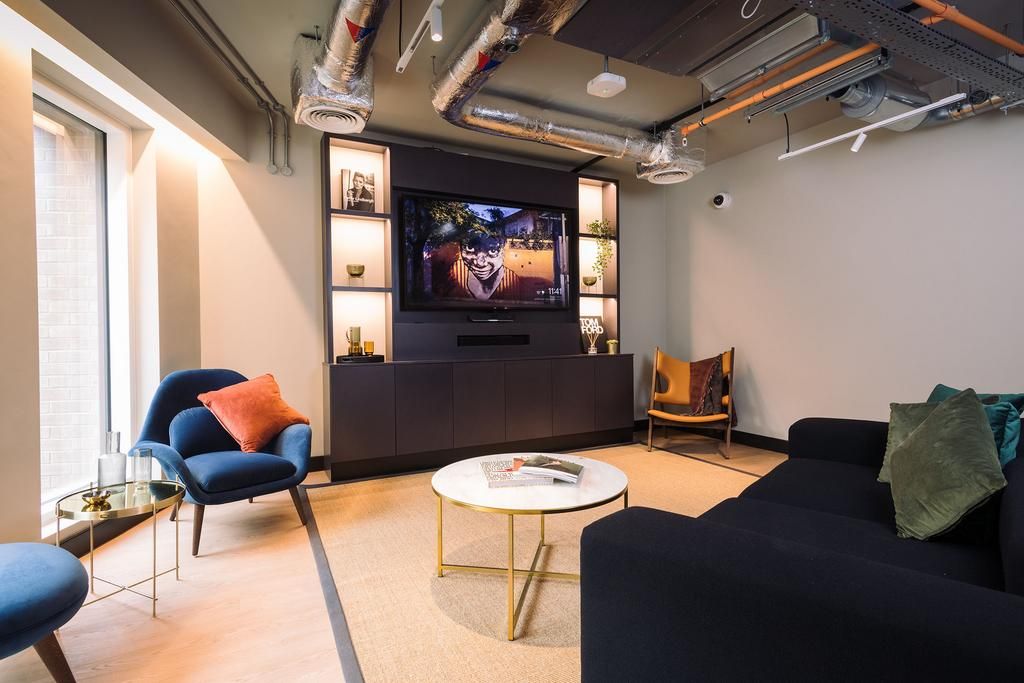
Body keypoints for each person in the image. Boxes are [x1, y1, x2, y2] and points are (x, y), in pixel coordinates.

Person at [441, 228, 529, 302]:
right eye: (470, 248)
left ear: (503, 252)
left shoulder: (512, 280)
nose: (480, 263)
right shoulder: (453, 272)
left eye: (493, 250)